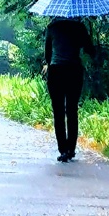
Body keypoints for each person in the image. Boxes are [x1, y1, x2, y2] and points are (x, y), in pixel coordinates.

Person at [44, 16, 94, 162]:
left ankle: (63, 149)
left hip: (56, 71)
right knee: (72, 110)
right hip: (74, 71)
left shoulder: (52, 27)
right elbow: (90, 50)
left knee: (58, 111)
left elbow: (47, 54)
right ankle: (71, 149)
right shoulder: (79, 27)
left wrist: (50, 61)